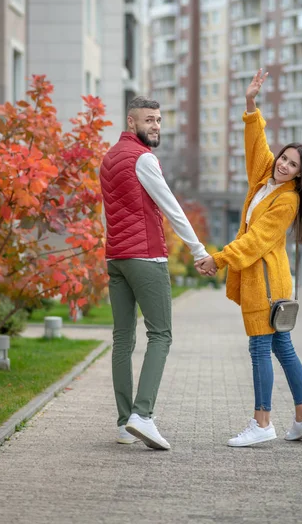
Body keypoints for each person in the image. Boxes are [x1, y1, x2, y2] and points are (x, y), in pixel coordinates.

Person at [198, 70, 302, 447]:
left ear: (300, 175)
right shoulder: (265, 177)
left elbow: (256, 241)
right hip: (269, 279)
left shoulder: (288, 200)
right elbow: (256, 142)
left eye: (293, 165)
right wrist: (250, 104)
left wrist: (218, 259)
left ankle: (262, 423)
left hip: (265, 282)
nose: (283, 165)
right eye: (284, 158)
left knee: (260, 348)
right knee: (282, 347)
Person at [99, 96, 211, 450]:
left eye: (159, 120)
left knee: (122, 339)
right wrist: (199, 250)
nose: (156, 126)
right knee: (160, 335)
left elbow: (111, 211)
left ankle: (122, 423)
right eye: (149, 120)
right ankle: (142, 416)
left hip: (116, 257)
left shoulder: (108, 158)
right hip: (146, 257)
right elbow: (172, 208)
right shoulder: (143, 159)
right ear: (131, 123)